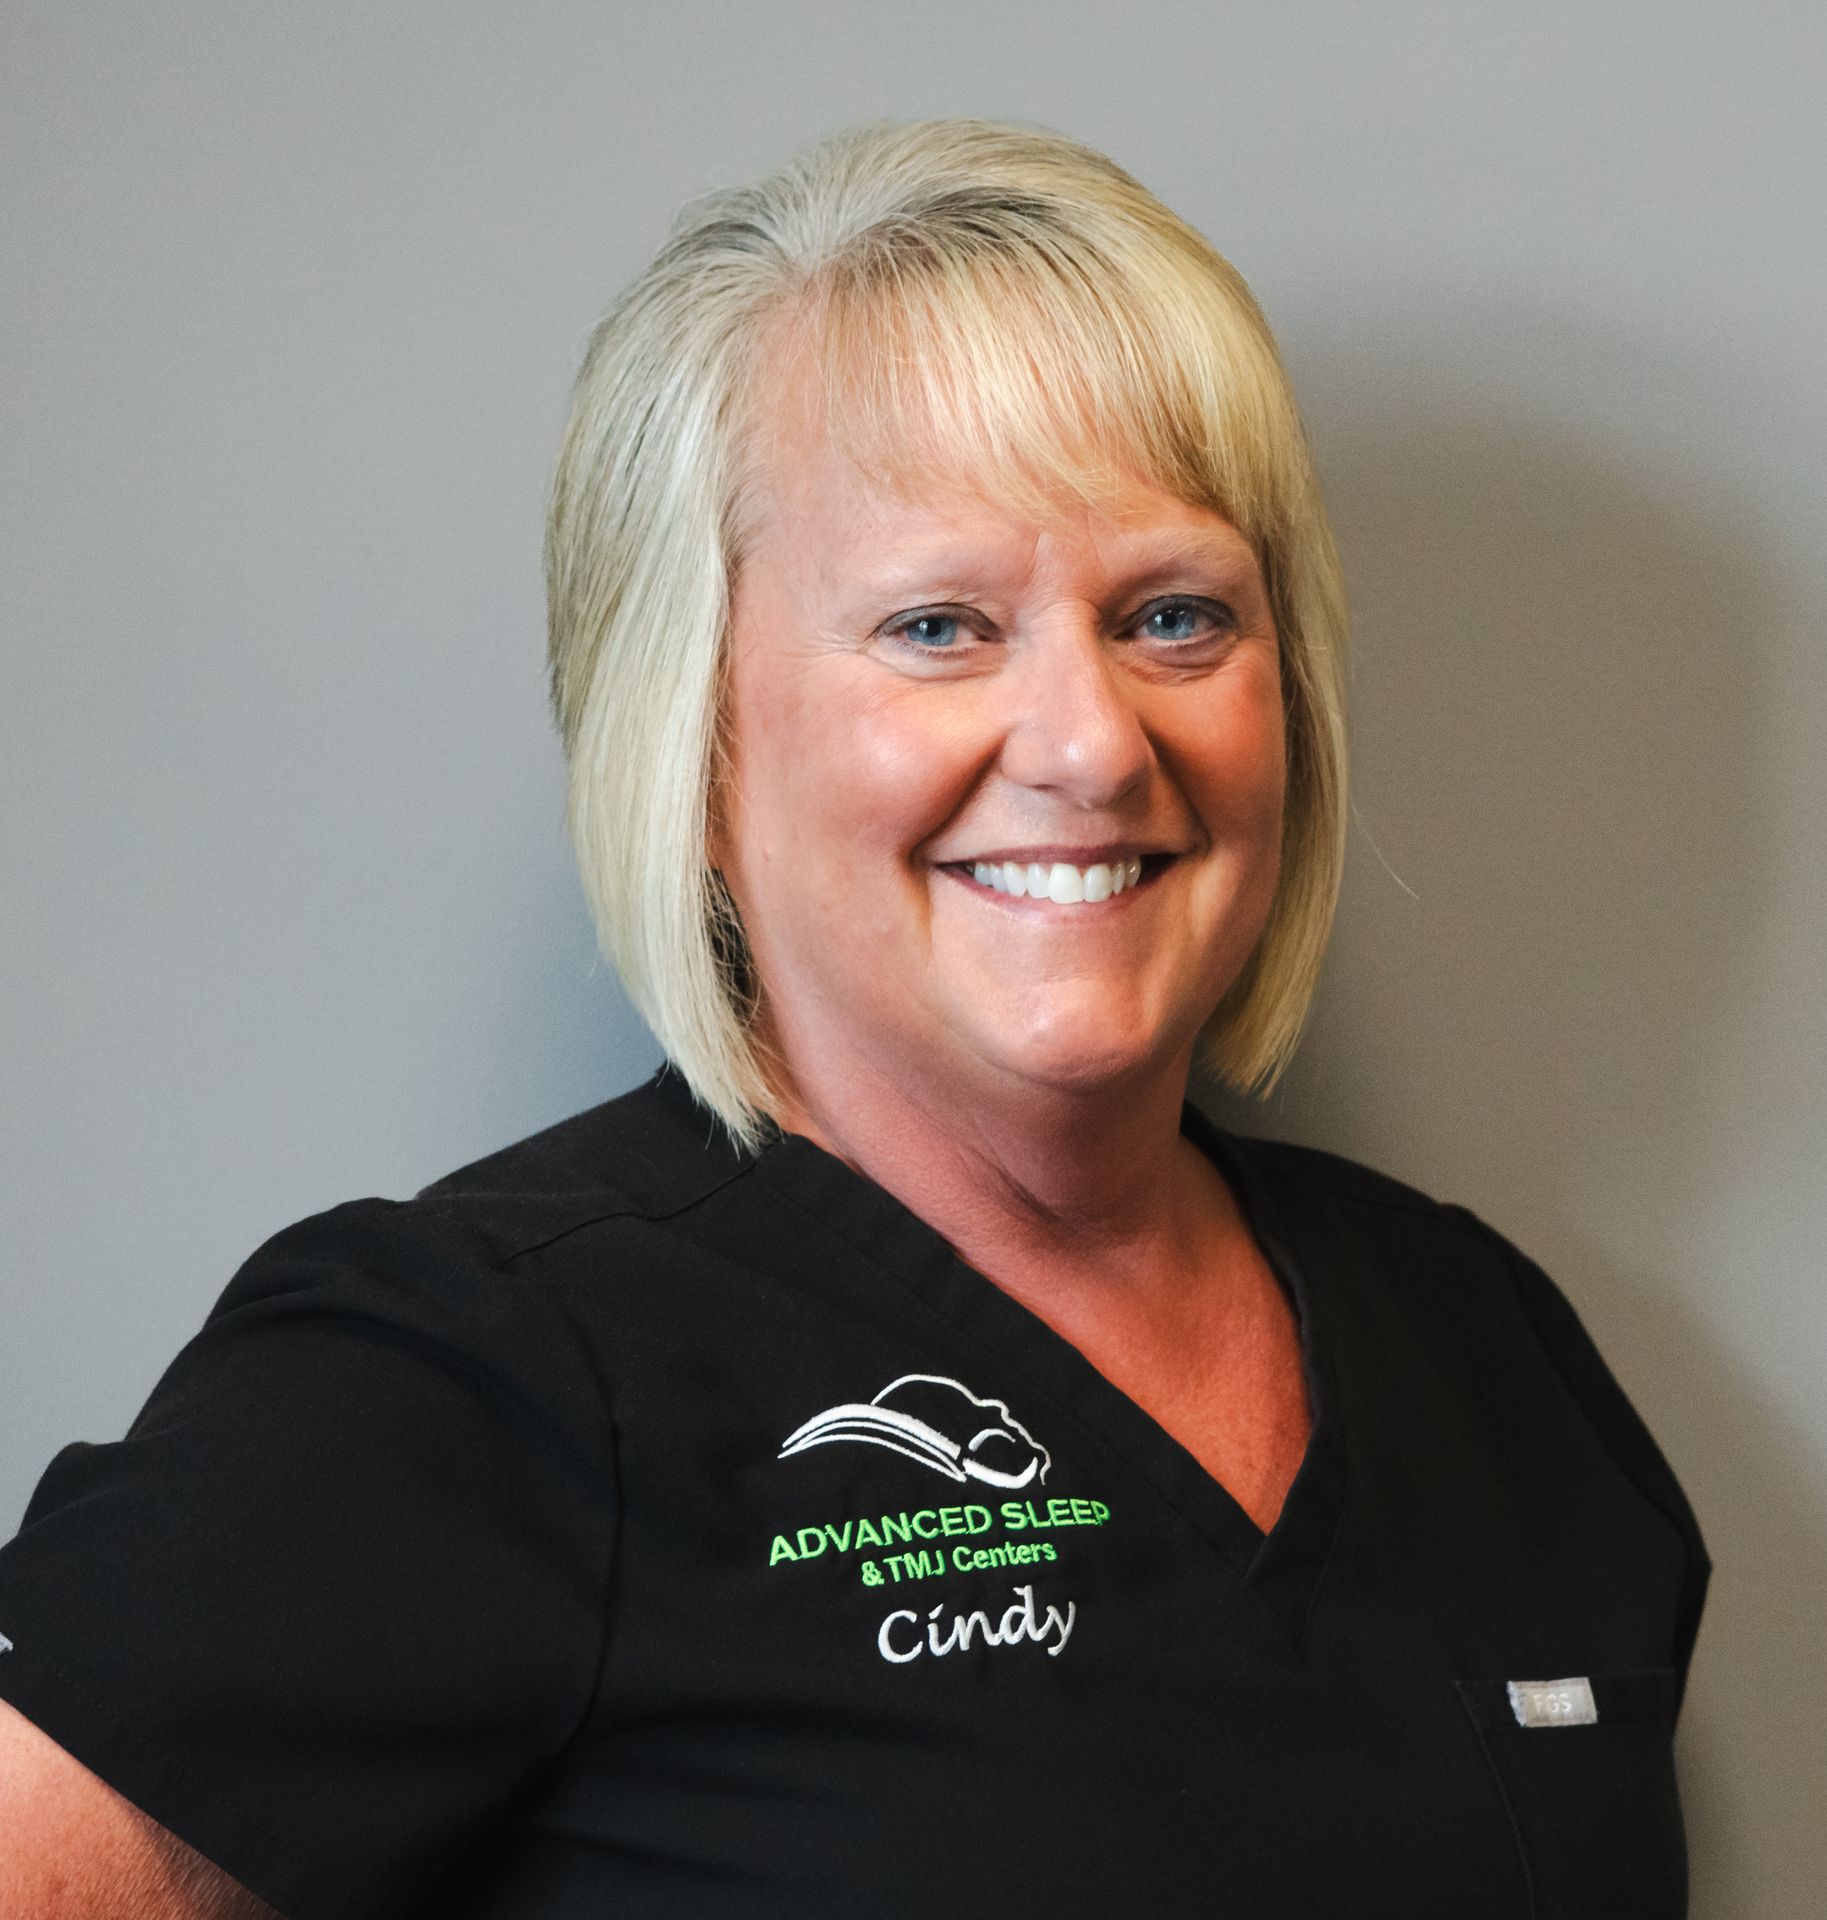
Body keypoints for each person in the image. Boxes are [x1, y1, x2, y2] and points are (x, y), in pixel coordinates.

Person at [0, 118, 1710, 1919]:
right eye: (938, 627)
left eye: (1177, 614)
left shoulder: (1481, 1345)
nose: (1089, 742)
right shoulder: (470, 1374)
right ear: (704, 735)